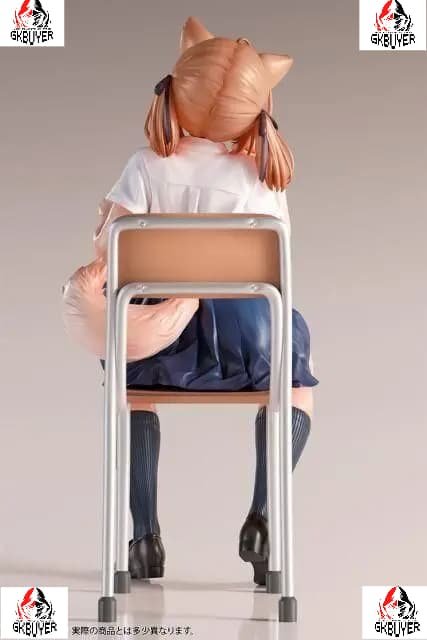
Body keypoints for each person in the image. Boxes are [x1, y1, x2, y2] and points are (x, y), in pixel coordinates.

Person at [93, 16, 318, 586]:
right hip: (250, 350)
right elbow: (279, 274)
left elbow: (108, 253)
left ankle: (144, 539)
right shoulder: (262, 177)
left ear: (175, 91)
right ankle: (264, 519)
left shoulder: (145, 166)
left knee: (132, 392)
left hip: (159, 349)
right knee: (295, 387)